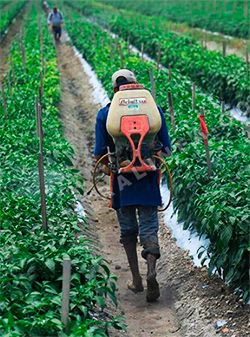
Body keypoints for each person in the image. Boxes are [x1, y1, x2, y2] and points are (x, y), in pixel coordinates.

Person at [94, 69, 171, 302]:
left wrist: (109, 165)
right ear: (135, 84)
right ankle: (151, 273)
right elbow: (166, 147)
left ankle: (137, 280)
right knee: (149, 226)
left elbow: (100, 153)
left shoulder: (106, 114)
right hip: (147, 178)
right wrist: (151, 155)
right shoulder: (153, 110)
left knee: (128, 230)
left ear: (114, 89)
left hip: (122, 181)